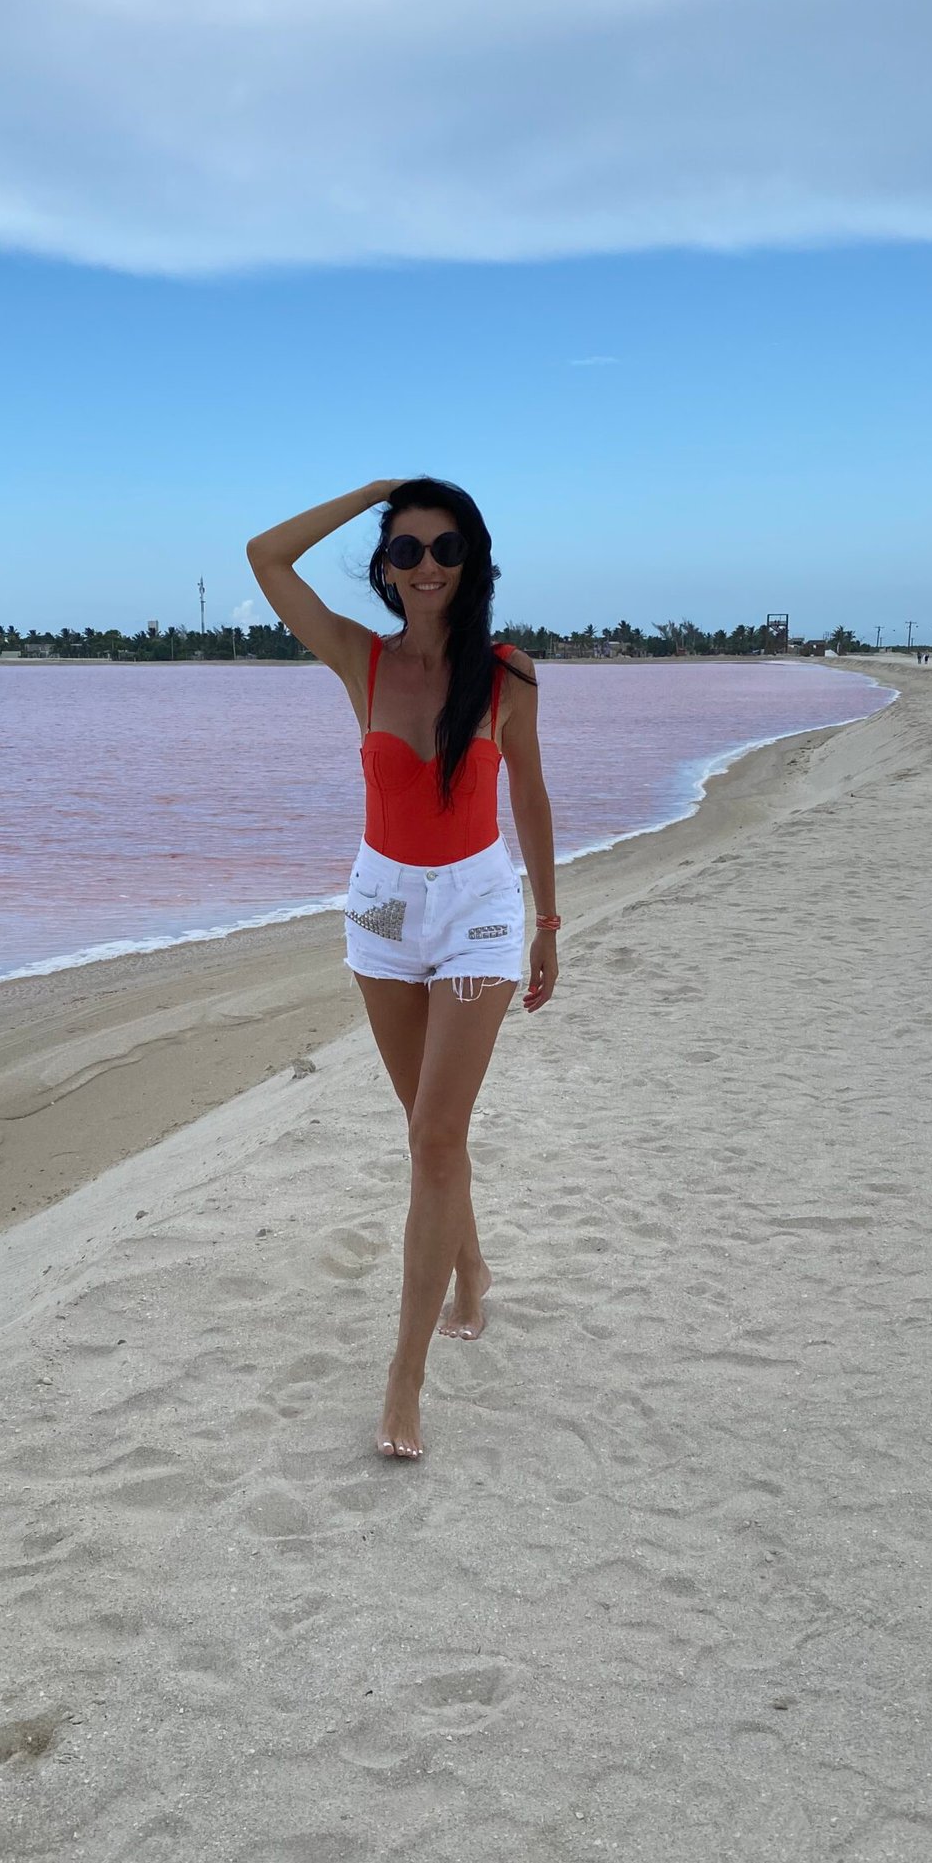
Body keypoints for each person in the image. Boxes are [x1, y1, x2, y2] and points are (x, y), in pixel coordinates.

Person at [247, 477, 558, 1461]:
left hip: (476, 909)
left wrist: (548, 921)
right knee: (428, 1134)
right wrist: (377, 493)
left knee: (434, 1134)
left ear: (474, 563)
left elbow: (530, 796)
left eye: (447, 548)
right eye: (409, 548)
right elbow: (264, 557)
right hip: (382, 910)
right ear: (386, 567)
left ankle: (404, 1382)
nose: (428, 565)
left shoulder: (506, 675)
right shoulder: (362, 659)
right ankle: (471, 1269)